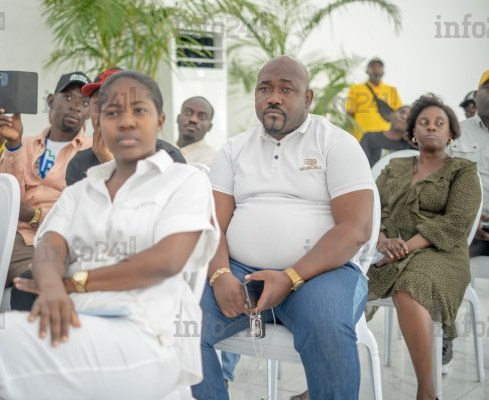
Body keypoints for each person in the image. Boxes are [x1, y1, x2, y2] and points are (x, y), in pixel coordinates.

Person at [0, 70, 219, 400]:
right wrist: (52, 285)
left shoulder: (183, 181)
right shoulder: (81, 191)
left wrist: (71, 284)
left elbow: (166, 261)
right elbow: (51, 245)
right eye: (112, 112)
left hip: (147, 334)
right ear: (98, 121)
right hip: (75, 323)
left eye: (138, 110)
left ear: (160, 120)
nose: (126, 121)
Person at [192, 56, 374, 400]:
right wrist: (219, 274)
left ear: (308, 98)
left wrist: (290, 277)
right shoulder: (234, 149)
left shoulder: (336, 143)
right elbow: (213, 222)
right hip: (240, 273)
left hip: (322, 275)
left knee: (327, 328)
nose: (273, 97)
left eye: (286, 90)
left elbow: (356, 228)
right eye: (265, 89)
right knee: (182, 326)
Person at [367, 94, 481, 400]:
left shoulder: (463, 170)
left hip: (442, 252)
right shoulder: (394, 167)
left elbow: (454, 223)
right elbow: (371, 208)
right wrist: (382, 240)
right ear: (413, 132)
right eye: (424, 122)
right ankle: (325, 381)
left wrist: (402, 248)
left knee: (410, 285)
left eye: (439, 123)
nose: (431, 127)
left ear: (451, 133)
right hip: (388, 247)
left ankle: (427, 392)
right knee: (343, 283)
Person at [0, 72, 93, 287]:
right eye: (68, 98)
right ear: (51, 101)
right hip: (12, 236)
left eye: (84, 102)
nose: (76, 106)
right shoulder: (23, 143)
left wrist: (35, 215)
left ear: (90, 111)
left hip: (55, 241)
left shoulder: (92, 150)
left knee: (31, 280)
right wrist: (13, 145)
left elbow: (83, 213)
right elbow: (8, 196)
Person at [65, 67, 185, 186]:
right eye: (100, 103)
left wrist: (108, 161)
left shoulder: (169, 157)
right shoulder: (78, 164)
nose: (107, 111)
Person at [450, 70, 489, 258]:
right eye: (488, 88)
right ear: (475, 95)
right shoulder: (453, 134)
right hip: (461, 232)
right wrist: (469, 220)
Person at [346, 57, 402, 141]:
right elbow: (349, 115)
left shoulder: (392, 90)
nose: (376, 69)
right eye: (373, 67)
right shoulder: (355, 89)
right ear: (367, 70)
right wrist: (350, 136)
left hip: (386, 138)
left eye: (380, 67)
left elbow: (399, 115)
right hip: (361, 137)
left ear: (383, 71)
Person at [176, 96, 217, 167]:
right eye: (188, 113)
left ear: (209, 127)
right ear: (178, 118)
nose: (193, 120)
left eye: (202, 117)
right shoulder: (161, 150)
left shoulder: (212, 158)